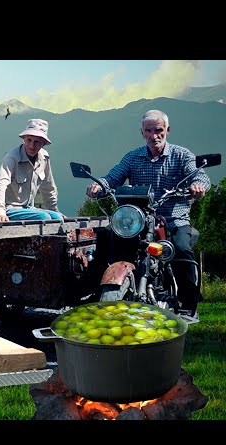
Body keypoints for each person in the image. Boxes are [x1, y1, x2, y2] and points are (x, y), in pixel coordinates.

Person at [85, 109, 211, 315]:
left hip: (173, 219)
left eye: (159, 130)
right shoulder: (133, 157)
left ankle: (189, 303)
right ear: (142, 132)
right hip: (138, 220)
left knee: (180, 248)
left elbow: (200, 176)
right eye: (149, 130)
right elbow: (113, 177)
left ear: (168, 130)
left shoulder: (181, 155)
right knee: (105, 236)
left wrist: (197, 185)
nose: (154, 135)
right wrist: (99, 186)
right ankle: (95, 291)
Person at [0, 118, 63, 222]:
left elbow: (48, 187)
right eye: (29, 140)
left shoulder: (44, 158)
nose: (32, 145)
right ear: (24, 139)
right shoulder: (12, 157)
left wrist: (55, 211)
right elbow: (0, 184)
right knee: (44, 218)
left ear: (43, 144)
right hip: (10, 208)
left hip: (29, 208)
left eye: (37, 142)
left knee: (57, 218)